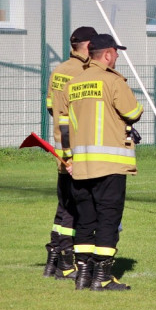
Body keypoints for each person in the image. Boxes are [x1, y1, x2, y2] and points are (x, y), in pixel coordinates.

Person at [64, 33, 144, 290]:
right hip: (109, 164)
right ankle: (103, 277)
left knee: (85, 220)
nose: (118, 56)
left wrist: (68, 158)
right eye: (116, 53)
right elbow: (133, 112)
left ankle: (83, 275)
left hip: (80, 165)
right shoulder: (112, 80)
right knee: (108, 219)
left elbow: (65, 126)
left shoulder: (73, 84)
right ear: (107, 54)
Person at [41, 26, 97, 280]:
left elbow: (52, 108)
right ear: (87, 46)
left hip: (61, 147)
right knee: (79, 208)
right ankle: (67, 260)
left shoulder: (59, 70)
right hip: (80, 150)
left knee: (64, 206)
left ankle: (54, 258)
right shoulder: (85, 72)